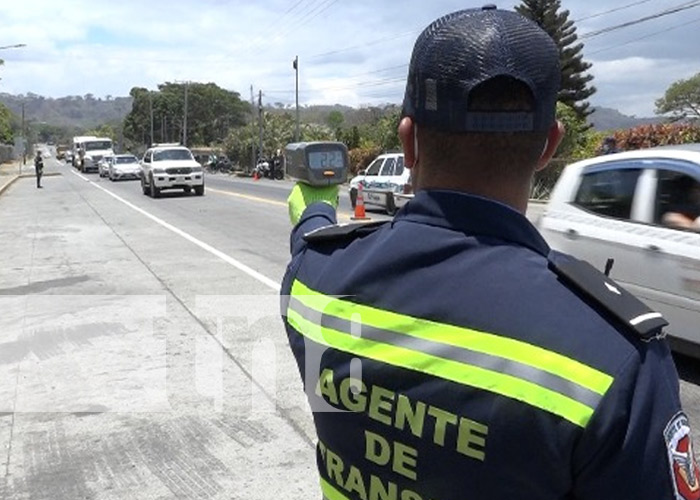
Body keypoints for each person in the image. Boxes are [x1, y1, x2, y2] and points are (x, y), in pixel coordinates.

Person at [281, 6, 696, 500]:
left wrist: (314, 213)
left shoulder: (311, 280)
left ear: (408, 141)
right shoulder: (617, 359)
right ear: (549, 145)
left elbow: (308, 246)